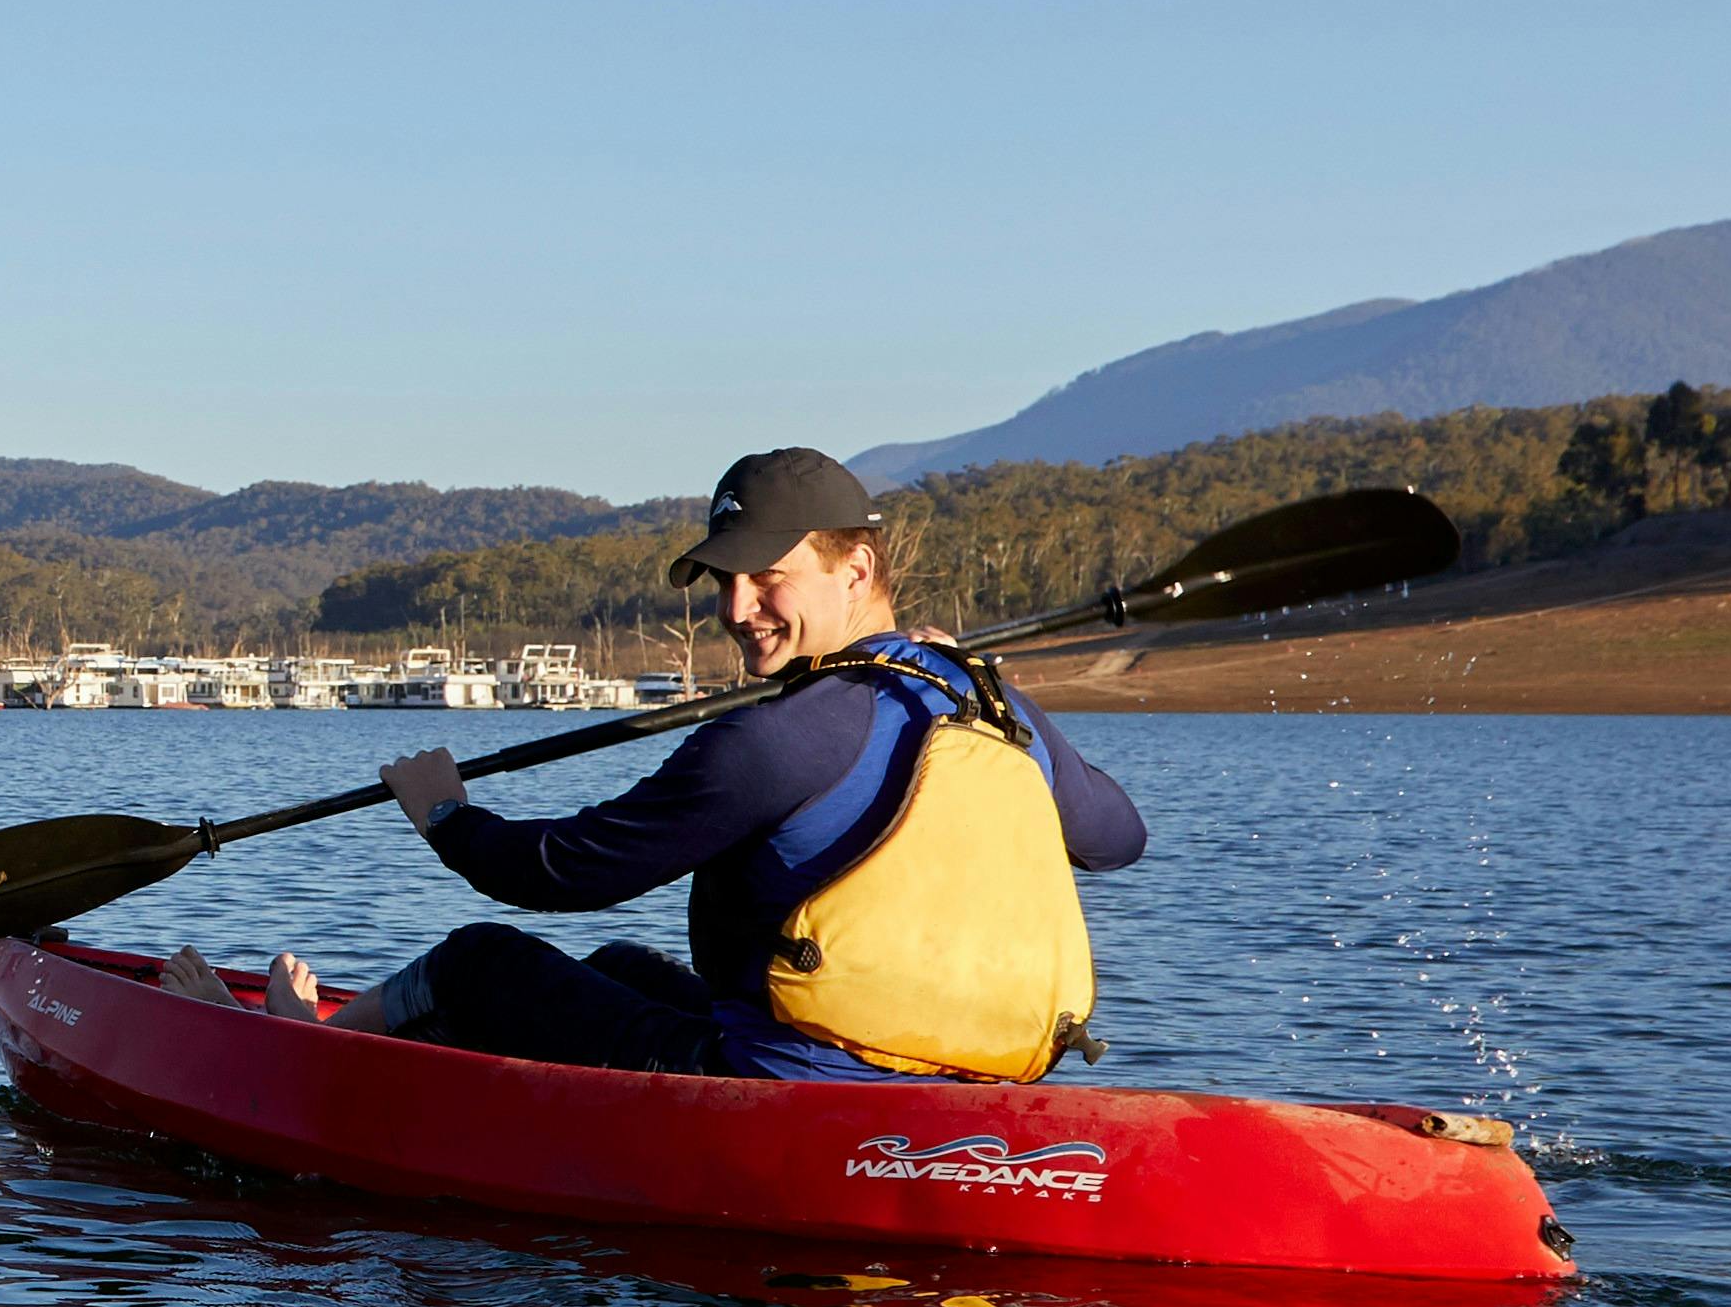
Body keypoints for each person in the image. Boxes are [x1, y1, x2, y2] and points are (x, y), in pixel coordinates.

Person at [333, 445, 1143, 1083]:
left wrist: (446, 816)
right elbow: (1115, 838)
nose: (735, 608)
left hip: (782, 1087)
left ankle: (303, 1045)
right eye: (726, 580)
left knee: (477, 961)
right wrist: (996, 691)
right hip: (963, 1077)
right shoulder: (991, 707)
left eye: (767, 577)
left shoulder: (772, 740)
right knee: (620, 967)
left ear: (855, 571)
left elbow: (564, 871)